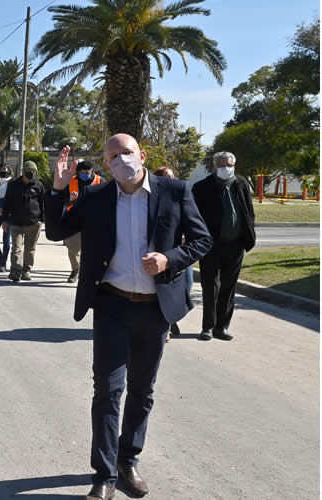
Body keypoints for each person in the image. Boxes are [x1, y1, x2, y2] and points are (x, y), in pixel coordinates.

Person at [45, 135, 212, 500]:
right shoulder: (96, 197)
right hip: (111, 305)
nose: (121, 160)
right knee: (107, 391)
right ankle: (103, 475)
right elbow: (57, 231)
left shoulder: (175, 191)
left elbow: (202, 240)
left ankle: (128, 460)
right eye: (113, 156)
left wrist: (170, 259)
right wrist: (58, 189)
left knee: (141, 390)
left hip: (155, 308)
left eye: (127, 153)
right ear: (106, 164)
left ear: (143, 155)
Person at [192, 152, 256, 341]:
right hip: (211, 246)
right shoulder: (202, 188)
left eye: (229, 165)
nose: (225, 168)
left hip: (235, 245)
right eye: (221, 165)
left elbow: (249, 212)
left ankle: (222, 327)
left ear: (234, 165)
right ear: (214, 167)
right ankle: (208, 327)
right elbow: (194, 218)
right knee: (210, 286)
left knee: (229, 287)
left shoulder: (242, 184)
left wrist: (248, 236)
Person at [155, 166, 192, 339]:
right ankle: (166, 326)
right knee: (165, 290)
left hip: (181, 254)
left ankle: (170, 320)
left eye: (172, 176)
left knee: (186, 286)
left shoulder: (181, 195)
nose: (171, 179)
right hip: (163, 255)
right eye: (166, 177)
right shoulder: (153, 199)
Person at [2, 161, 46, 281]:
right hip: (16, 223)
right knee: (16, 248)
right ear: (24, 172)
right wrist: (4, 220)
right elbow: (7, 203)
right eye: (29, 171)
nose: (32, 173)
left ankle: (26, 270)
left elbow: (43, 203)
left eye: (34, 171)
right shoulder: (13, 185)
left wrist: (42, 220)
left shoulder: (39, 185)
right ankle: (16, 271)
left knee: (30, 248)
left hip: (34, 223)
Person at [62, 160, 102, 283]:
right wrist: (71, 199)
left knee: (93, 251)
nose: (84, 174)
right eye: (82, 172)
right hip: (75, 221)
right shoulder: (72, 181)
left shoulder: (100, 181)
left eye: (87, 172)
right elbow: (63, 202)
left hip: (94, 223)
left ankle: (90, 274)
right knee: (73, 250)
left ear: (92, 171)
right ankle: (75, 270)